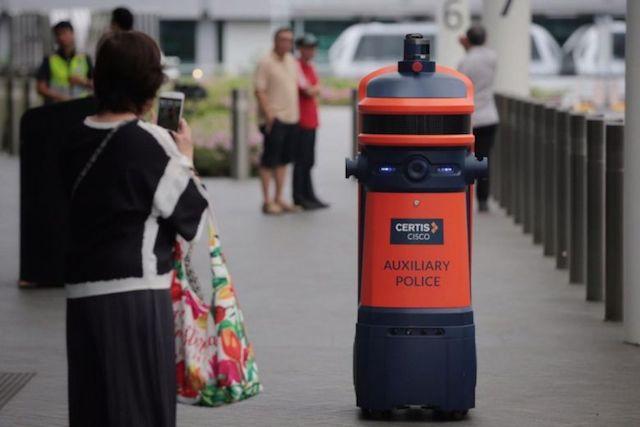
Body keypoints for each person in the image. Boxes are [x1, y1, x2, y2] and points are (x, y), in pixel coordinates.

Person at [63, 31, 208, 427]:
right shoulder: (152, 143)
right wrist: (187, 158)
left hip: (81, 297)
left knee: (93, 410)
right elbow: (192, 217)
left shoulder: (70, 137)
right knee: (141, 411)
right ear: (149, 83)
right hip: (135, 299)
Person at [254, 27, 300, 215]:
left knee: (284, 160)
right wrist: (269, 114)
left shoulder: (291, 61)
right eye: (283, 40)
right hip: (274, 119)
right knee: (269, 161)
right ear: (275, 41)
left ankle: (279, 198)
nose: (287, 44)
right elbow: (259, 90)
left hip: (291, 117)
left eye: (290, 40)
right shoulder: (266, 62)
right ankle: (266, 201)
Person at [458, 24, 499, 212]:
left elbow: (462, 85)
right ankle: (483, 200)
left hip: (471, 117)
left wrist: (466, 48)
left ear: (467, 40)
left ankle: (464, 194)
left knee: (465, 159)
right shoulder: (492, 57)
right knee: (484, 158)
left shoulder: (465, 61)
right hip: (490, 115)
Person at [293, 34, 329, 210]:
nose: (311, 51)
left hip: (311, 119)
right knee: (302, 160)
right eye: (307, 47)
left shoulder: (310, 67)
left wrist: (315, 89)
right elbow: (308, 90)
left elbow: (314, 89)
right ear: (300, 49)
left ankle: (309, 194)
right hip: (301, 120)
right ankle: (300, 196)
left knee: (308, 160)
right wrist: (315, 89)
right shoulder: (296, 66)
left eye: (313, 48)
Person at [36, 21, 93, 104]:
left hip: (81, 107)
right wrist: (60, 97)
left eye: (65, 33)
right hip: (57, 108)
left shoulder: (85, 58)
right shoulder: (49, 60)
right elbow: (40, 88)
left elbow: (98, 85)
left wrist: (83, 82)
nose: (62, 37)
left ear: (73, 34)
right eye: (58, 34)